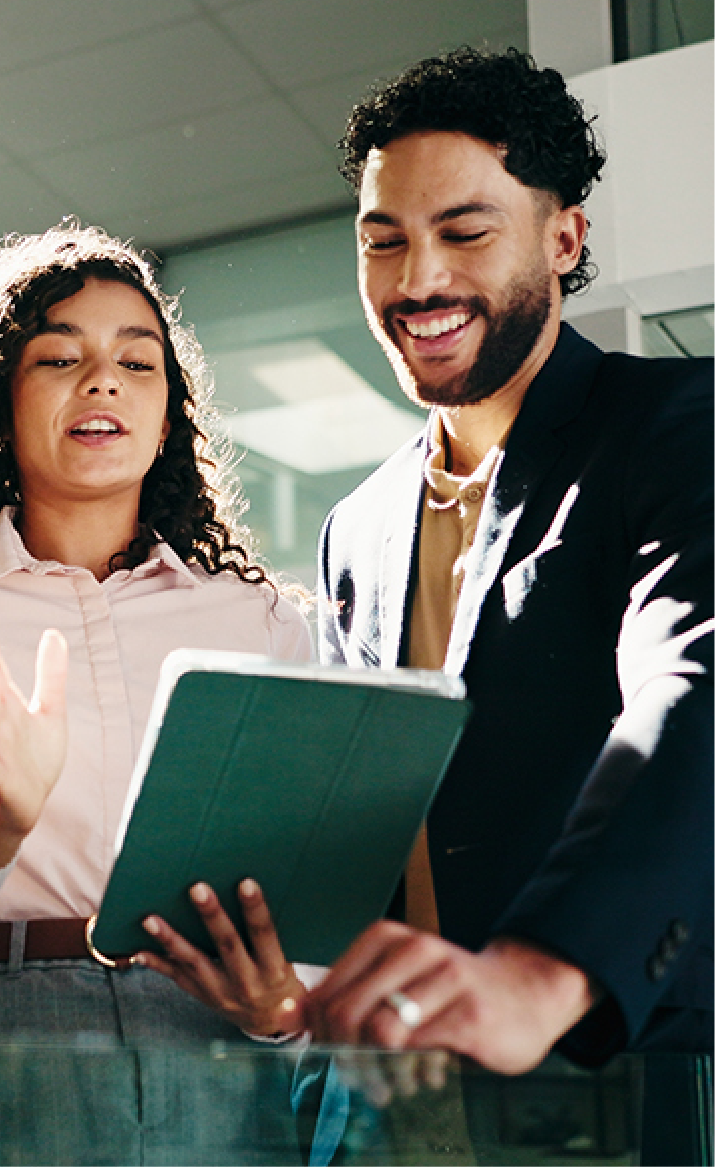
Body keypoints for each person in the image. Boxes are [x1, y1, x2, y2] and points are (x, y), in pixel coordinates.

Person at [141, 45, 712, 1092]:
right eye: (383, 241)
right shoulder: (356, 528)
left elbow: (693, 685)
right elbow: (376, 821)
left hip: (620, 1071)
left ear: (564, 237)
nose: (419, 280)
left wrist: (546, 970)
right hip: (408, 1091)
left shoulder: (675, 427)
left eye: (465, 232)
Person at [0, 225, 315, 1165]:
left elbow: (299, 898)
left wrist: (282, 1007)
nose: (103, 381)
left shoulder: (255, 619)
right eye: (59, 356)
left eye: (137, 362)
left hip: (216, 1043)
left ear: (168, 413)